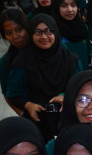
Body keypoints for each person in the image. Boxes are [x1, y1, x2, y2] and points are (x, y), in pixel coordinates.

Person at [7, 13, 79, 142]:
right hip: (37, 122)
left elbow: (81, 86)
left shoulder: (70, 59)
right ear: (31, 35)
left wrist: (66, 95)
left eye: (48, 31)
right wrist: (28, 105)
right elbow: (13, 94)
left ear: (56, 32)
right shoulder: (22, 62)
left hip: (68, 118)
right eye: (38, 32)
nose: (44, 37)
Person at [0, 9, 29, 116]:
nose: (15, 36)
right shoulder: (5, 62)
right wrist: (21, 113)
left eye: (19, 29)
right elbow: (7, 94)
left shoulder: (40, 50)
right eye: (9, 33)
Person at [53, 0, 90, 70]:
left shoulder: (83, 28)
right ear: (57, 7)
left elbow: (88, 51)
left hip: (84, 75)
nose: (70, 9)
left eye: (73, 5)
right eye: (64, 6)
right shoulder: (53, 31)